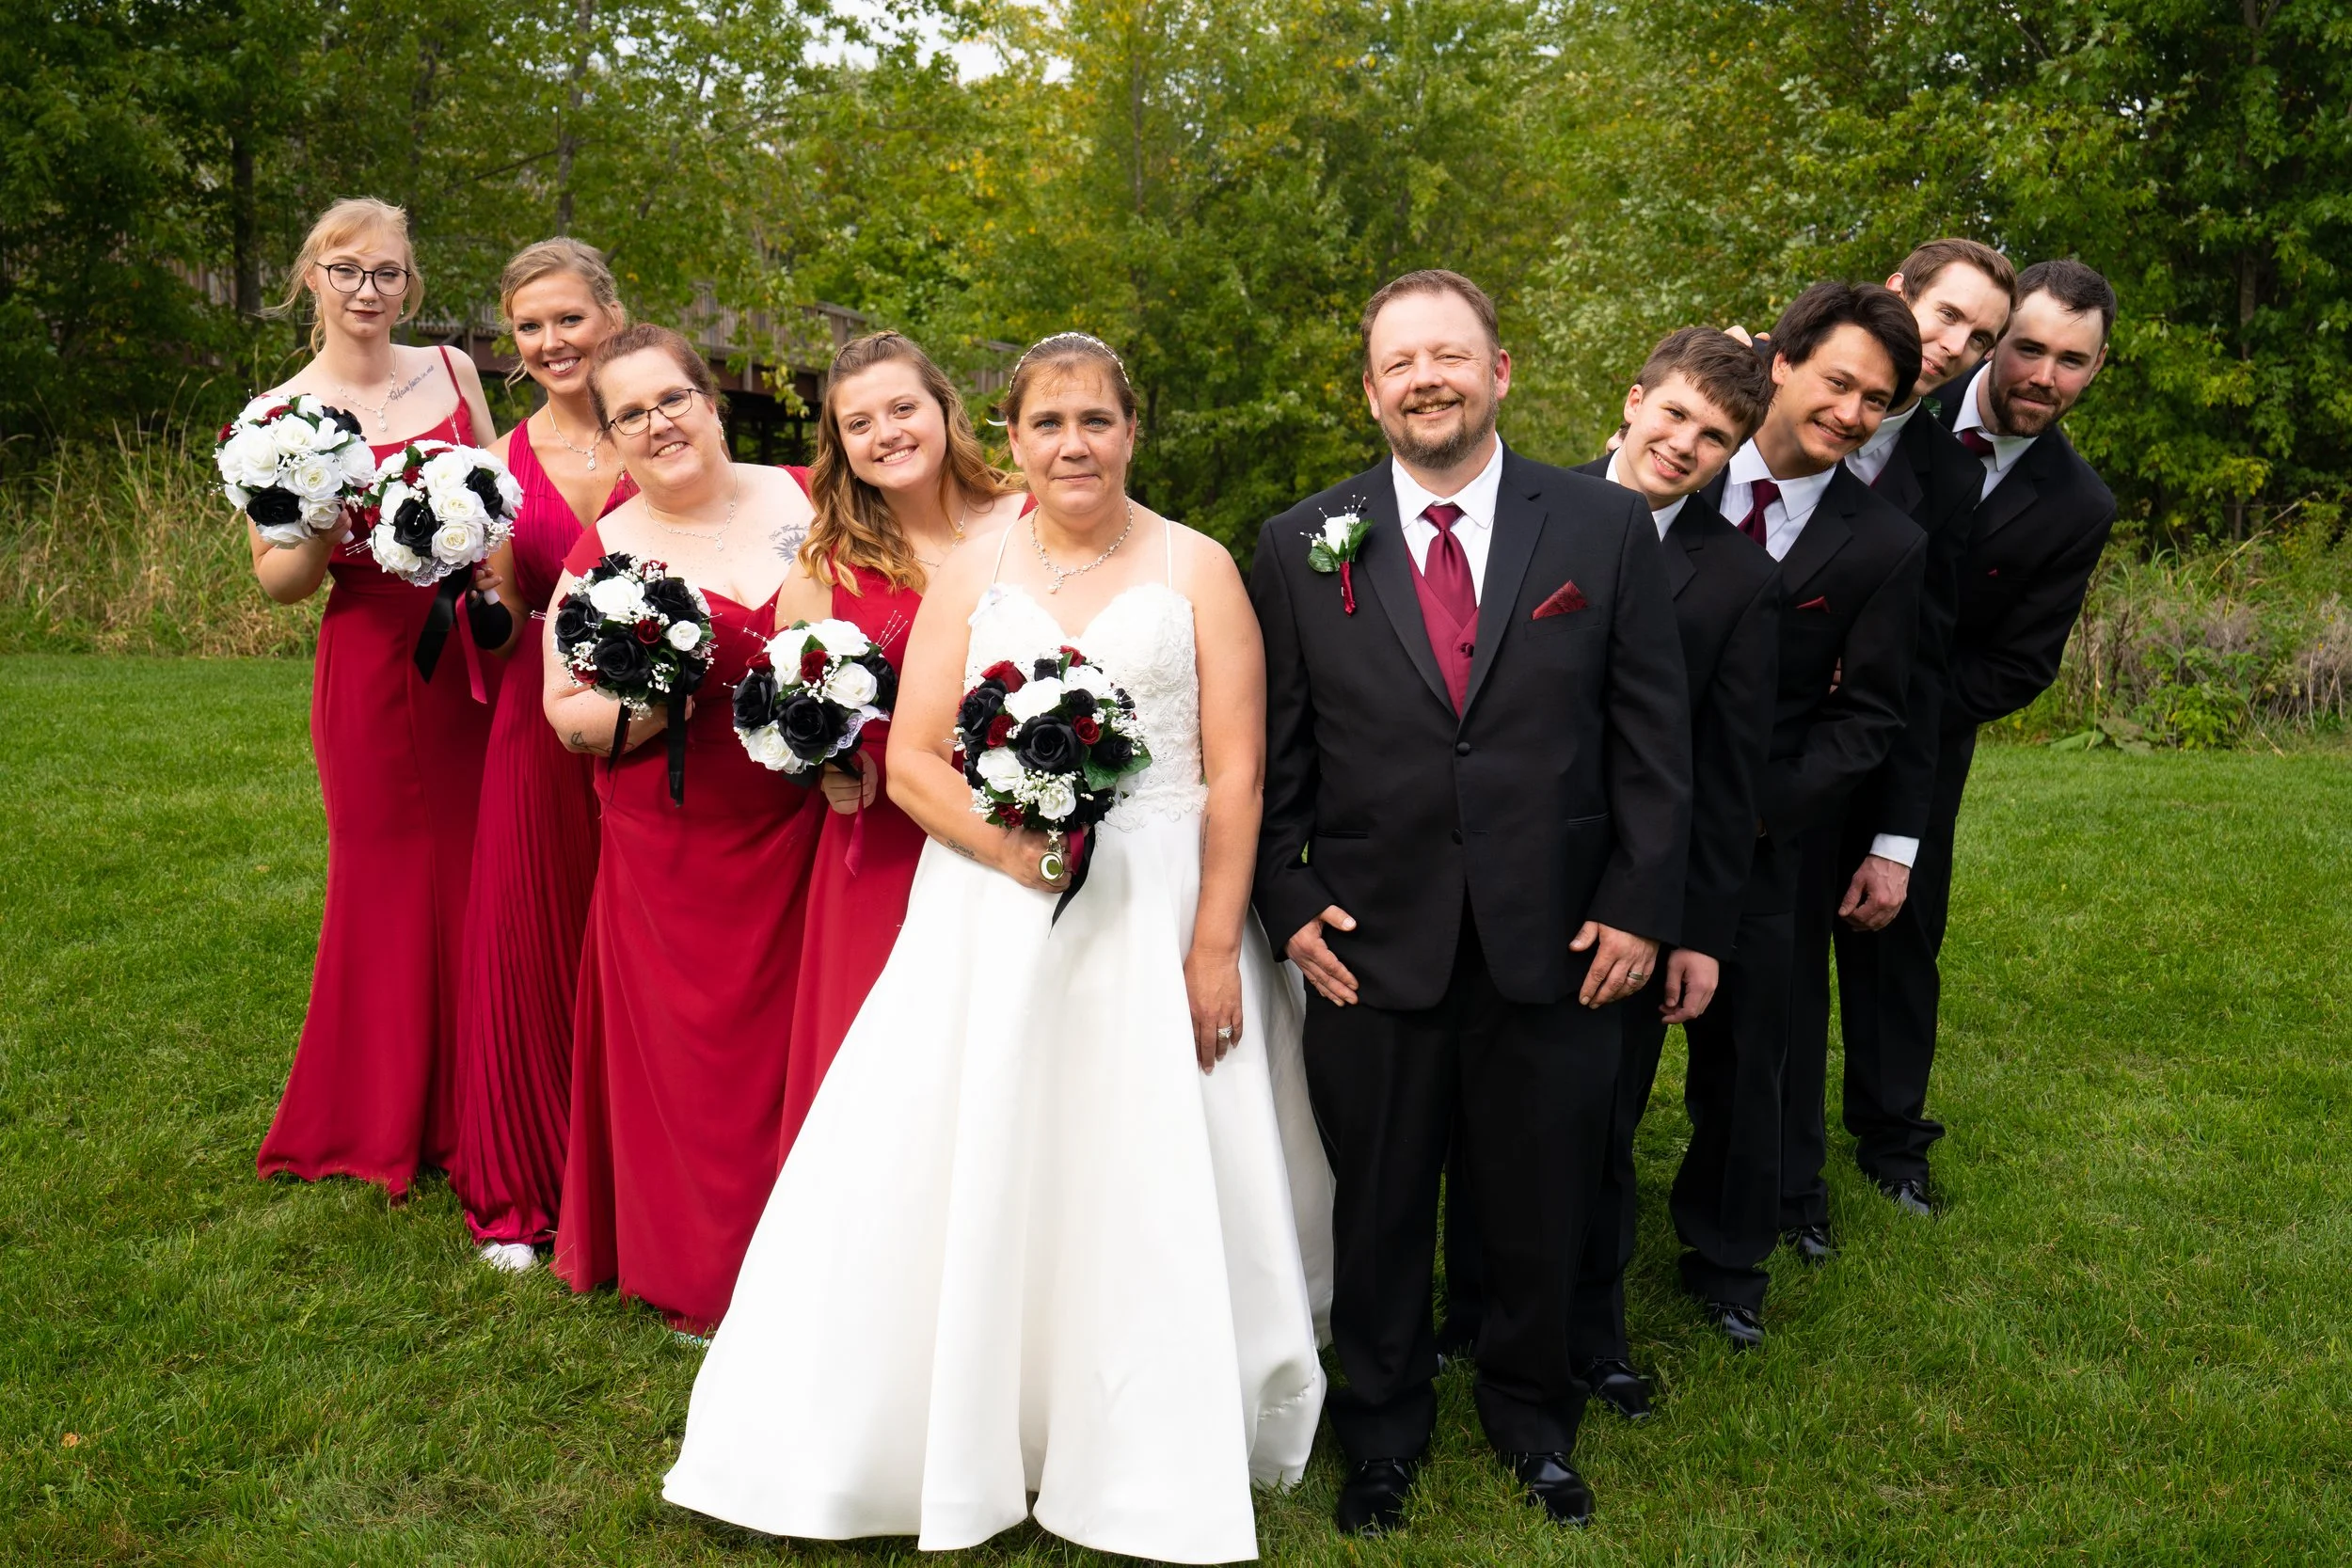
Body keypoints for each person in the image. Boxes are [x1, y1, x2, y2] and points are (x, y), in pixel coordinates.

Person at [661, 333, 1328, 1564]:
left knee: (1149, 1155)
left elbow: (1238, 773)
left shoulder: (1202, 567)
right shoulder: (975, 566)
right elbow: (913, 759)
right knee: (972, 1149)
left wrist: (1215, 942)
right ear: (1011, 438)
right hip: (993, 903)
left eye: (1096, 421)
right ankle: (966, 1414)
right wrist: (1012, 851)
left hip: (1164, 892)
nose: (1073, 445)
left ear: (1133, 429)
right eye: (1048, 424)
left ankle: (1155, 1416)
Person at [1253, 270, 1692, 1533]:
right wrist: (1290, 905)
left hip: (1556, 935)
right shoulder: (1301, 541)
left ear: (1500, 371)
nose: (1427, 377)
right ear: (1372, 389)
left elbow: (1654, 740)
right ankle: (1380, 1430)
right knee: (1380, 1203)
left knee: (1539, 1196)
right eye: (1401, 362)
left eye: (1451, 353)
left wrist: (1640, 904)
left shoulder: (1600, 528)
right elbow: (1275, 755)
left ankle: (1531, 1414)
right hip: (1371, 944)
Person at [543, 324, 828, 1334]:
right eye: (631, 413)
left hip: (813, 829)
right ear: (612, 437)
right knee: (693, 1060)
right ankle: (697, 1265)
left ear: (710, 401)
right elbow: (566, 714)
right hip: (673, 837)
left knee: (813, 1042)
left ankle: (817, 1255)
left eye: (673, 398)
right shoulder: (607, 553)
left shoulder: (808, 496)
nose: (658, 423)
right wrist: (664, 693)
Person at [1830, 260, 2117, 1213]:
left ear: (2096, 369)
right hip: (1785, 711)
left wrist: (1886, 707)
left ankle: (1891, 1137)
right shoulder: (1894, 407)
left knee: (1900, 935)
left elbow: (2018, 664)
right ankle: (1773, 1146)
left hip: (1924, 734)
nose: (2041, 374)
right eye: (2024, 347)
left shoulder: (2078, 505)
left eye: (2069, 361)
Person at [1678, 282, 1927, 1349]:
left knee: (1752, 1051)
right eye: (1837, 381)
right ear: (1779, 362)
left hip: (1766, 828)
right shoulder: (1670, 473)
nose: (1851, 411)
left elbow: (1870, 716)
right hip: (1617, 809)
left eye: (1875, 400)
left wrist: (1757, 812)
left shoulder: (1882, 544)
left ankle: (1729, 1258)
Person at [249, 197, 508, 1198]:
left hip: (474, 659)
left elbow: (498, 494)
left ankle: (482, 1093)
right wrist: (315, 507)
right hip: (369, 660)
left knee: (484, 865)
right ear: (312, 276)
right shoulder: (280, 413)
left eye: (388, 272)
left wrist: (491, 568)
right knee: (389, 881)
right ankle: (382, 1106)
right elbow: (281, 582)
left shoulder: (451, 372)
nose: (368, 290)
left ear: (412, 282)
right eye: (347, 269)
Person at [1564, 328, 1780, 1418]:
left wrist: (1693, 927)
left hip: (1637, 894)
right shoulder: (1531, 506)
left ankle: (1592, 1334)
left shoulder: (1737, 579)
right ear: (1634, 398)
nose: (1685, 445)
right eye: (1675, 417)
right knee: (1490, 1110)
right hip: (1508, 868)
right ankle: (1470, 1308)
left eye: (1716, 436)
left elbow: (1727, 774)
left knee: (1605, 1122)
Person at [777, 330, 1029, 1160]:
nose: (885, 432)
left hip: (1021, 816)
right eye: (859, 423)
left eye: (901, 408)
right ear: (839, 447)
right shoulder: (827, 564)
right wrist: (828, 773)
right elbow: (793, 707)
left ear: (944, 410)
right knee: (883, 1057)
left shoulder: (1030, 514)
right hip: (882, 839)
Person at [449, 238, 640, 1272]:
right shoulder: (500, 467)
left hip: (657, 734)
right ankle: (521, 1189)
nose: (552, 341)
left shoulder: (661, 428)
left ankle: (628, 1176)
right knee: (530, 936)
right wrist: (473, 589)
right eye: (531, 326)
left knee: (639, 949)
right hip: (536, 725)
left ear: (610, 314)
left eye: (569, 317)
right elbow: (510, 615)